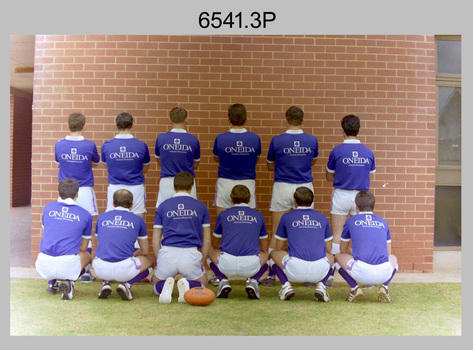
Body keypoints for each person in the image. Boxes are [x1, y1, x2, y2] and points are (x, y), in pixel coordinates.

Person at [262, 106, 319, 286]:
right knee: (307, 230)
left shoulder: (277, 140)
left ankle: (272, 273)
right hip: (304, 186)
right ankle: (310, 274)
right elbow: (313, 162)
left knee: (277, 230)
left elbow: (270, 165)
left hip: (282, 186)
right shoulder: (311, 140)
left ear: (286, 120)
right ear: (303, 120)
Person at [326, 114, 376, 286]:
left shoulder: (337, 151)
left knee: (337, 236)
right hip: (361, 197)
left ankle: (330, 276)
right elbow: (370, 176)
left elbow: (328, 175)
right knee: (361, 236)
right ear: (358, 129)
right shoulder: (368, 152)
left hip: (341, 194)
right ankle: (367, 276)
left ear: (343, 130)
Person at [151, 171, 211, 304]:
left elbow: (155, 240)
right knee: (204, 283)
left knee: (155, 284)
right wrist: (203, 260)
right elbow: (207, 240)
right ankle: (187, 285)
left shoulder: (163, 206)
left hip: (167, 252)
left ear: (174, 187)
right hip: (190, 253)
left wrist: (159, 259)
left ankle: (167, 286)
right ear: (191, 187)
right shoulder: (201, 207)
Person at [54, 112, 100, 283]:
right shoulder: (89, 144)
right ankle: (86, 268)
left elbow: (58, 163)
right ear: (83, 125)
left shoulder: (59, 145)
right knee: (86, 228)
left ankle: (66, 265)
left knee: (63, 225)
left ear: (68, 125)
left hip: (65, 191)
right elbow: (95, 163)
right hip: (84, 191)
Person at [270, 187, 334, 302]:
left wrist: (291, 248)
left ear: (294, 201)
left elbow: (279, 247)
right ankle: (322, 287)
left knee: (273, 253)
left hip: (294, 271)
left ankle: (286, 286)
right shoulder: (322, 218)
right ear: (312, 201)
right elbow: (329, 248)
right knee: (332, 256)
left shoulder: (286, 217)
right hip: (319, 271)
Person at [335, 190, 398, 302]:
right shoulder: (383, 222)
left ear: (356, 207)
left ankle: (354, 288)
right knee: (394, 259)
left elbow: (343, 249)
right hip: (383, 273)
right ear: (373, 206)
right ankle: (385, 287)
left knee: (337, 257)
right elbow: (388, 252)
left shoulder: (350, 221)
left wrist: (352, 252)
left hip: (361, 272)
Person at [35, 178, 93, 300]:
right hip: (67, 264)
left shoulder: (48, 208)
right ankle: (70, 282)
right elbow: (82, 247)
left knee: (55, 247)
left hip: (43, 264)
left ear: (59, 192)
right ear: (77, 194)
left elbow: (47, 231)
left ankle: (51, 284)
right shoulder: (85, 214)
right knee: (87, 254)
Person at [208, 185, 269, 300]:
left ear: (231, 199)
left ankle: (223, 280)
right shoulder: (258, 215)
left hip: (227, 264)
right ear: (249, 199)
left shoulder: (223, 214)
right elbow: (264, 247)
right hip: (251, 265)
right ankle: (254, 282)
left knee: (210, 250)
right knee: (267, 253)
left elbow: (215, 244)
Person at [92, 189, 155, 301]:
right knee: (150, 261)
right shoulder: (138, 219)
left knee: (105, 254)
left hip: (100, 268)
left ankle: (106, 283)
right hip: (124, 269)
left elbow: (97, 243)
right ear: (132, 205)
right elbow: (145, 251)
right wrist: (134, 254)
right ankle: (127, 285)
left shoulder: (102, 217)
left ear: (113, 204)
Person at [212, 103, 262, 215]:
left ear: (228, 119)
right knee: (248, 221)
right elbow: (255, 160)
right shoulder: (255, 138)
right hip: (247, 183)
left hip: (225, 182)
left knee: (223, 221)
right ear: (246, 118)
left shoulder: (221, 138)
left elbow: (217, 159)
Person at [101, 112, 151, 218]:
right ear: (132, 124)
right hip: (136, 187)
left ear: (116, 125)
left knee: (113, 221)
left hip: (115, 186)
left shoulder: (106, 146)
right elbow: (145, 169)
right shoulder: (141, 145)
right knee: (138, 221)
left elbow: (108, 167)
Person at [155, 107, 201, 208]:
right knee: (190, 215)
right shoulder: (193, 140)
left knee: (163, 215)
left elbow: (159, 161)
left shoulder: (161, 138)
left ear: (170, 120)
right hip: (188, 183)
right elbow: (196, 164)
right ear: (186, 120)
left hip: (167, 182)